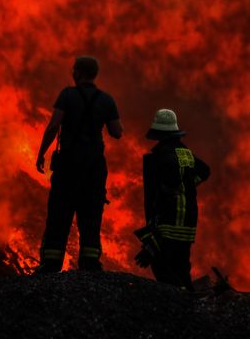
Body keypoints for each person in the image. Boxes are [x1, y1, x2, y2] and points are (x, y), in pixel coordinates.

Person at [35, 56, 124, 272]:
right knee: (91, 214)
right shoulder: (107, 100)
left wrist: (41, 154)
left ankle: (51, 263)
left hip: (68, 164)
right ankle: (90, 262)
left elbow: (54, 125)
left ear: (77, 73)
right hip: (94, 167)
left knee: (59, 213)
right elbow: (116, 132)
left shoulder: (67, 95)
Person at [134, 108, 210, 288]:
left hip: (170, 218)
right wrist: (189, 185)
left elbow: (170, 181)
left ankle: (179, 300)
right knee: (181, 265)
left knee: (162, 265)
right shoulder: (186, 152)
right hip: (188, 221)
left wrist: (169, 190)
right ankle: (189, 299)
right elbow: (205, 171)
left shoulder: (163, 155)